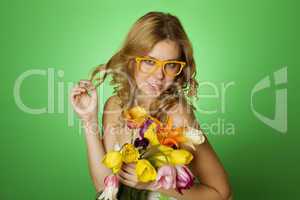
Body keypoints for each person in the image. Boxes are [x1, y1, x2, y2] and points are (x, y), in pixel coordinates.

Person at [70, 11, 232, 200]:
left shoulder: (178, 116)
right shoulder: (114, 105)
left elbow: (221, 193)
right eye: (149, 62)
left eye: (170, 65)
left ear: (180, 69)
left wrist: (153, 182)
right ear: (130, 61)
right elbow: (103, 184)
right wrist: (88, 119)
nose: (159, 75)